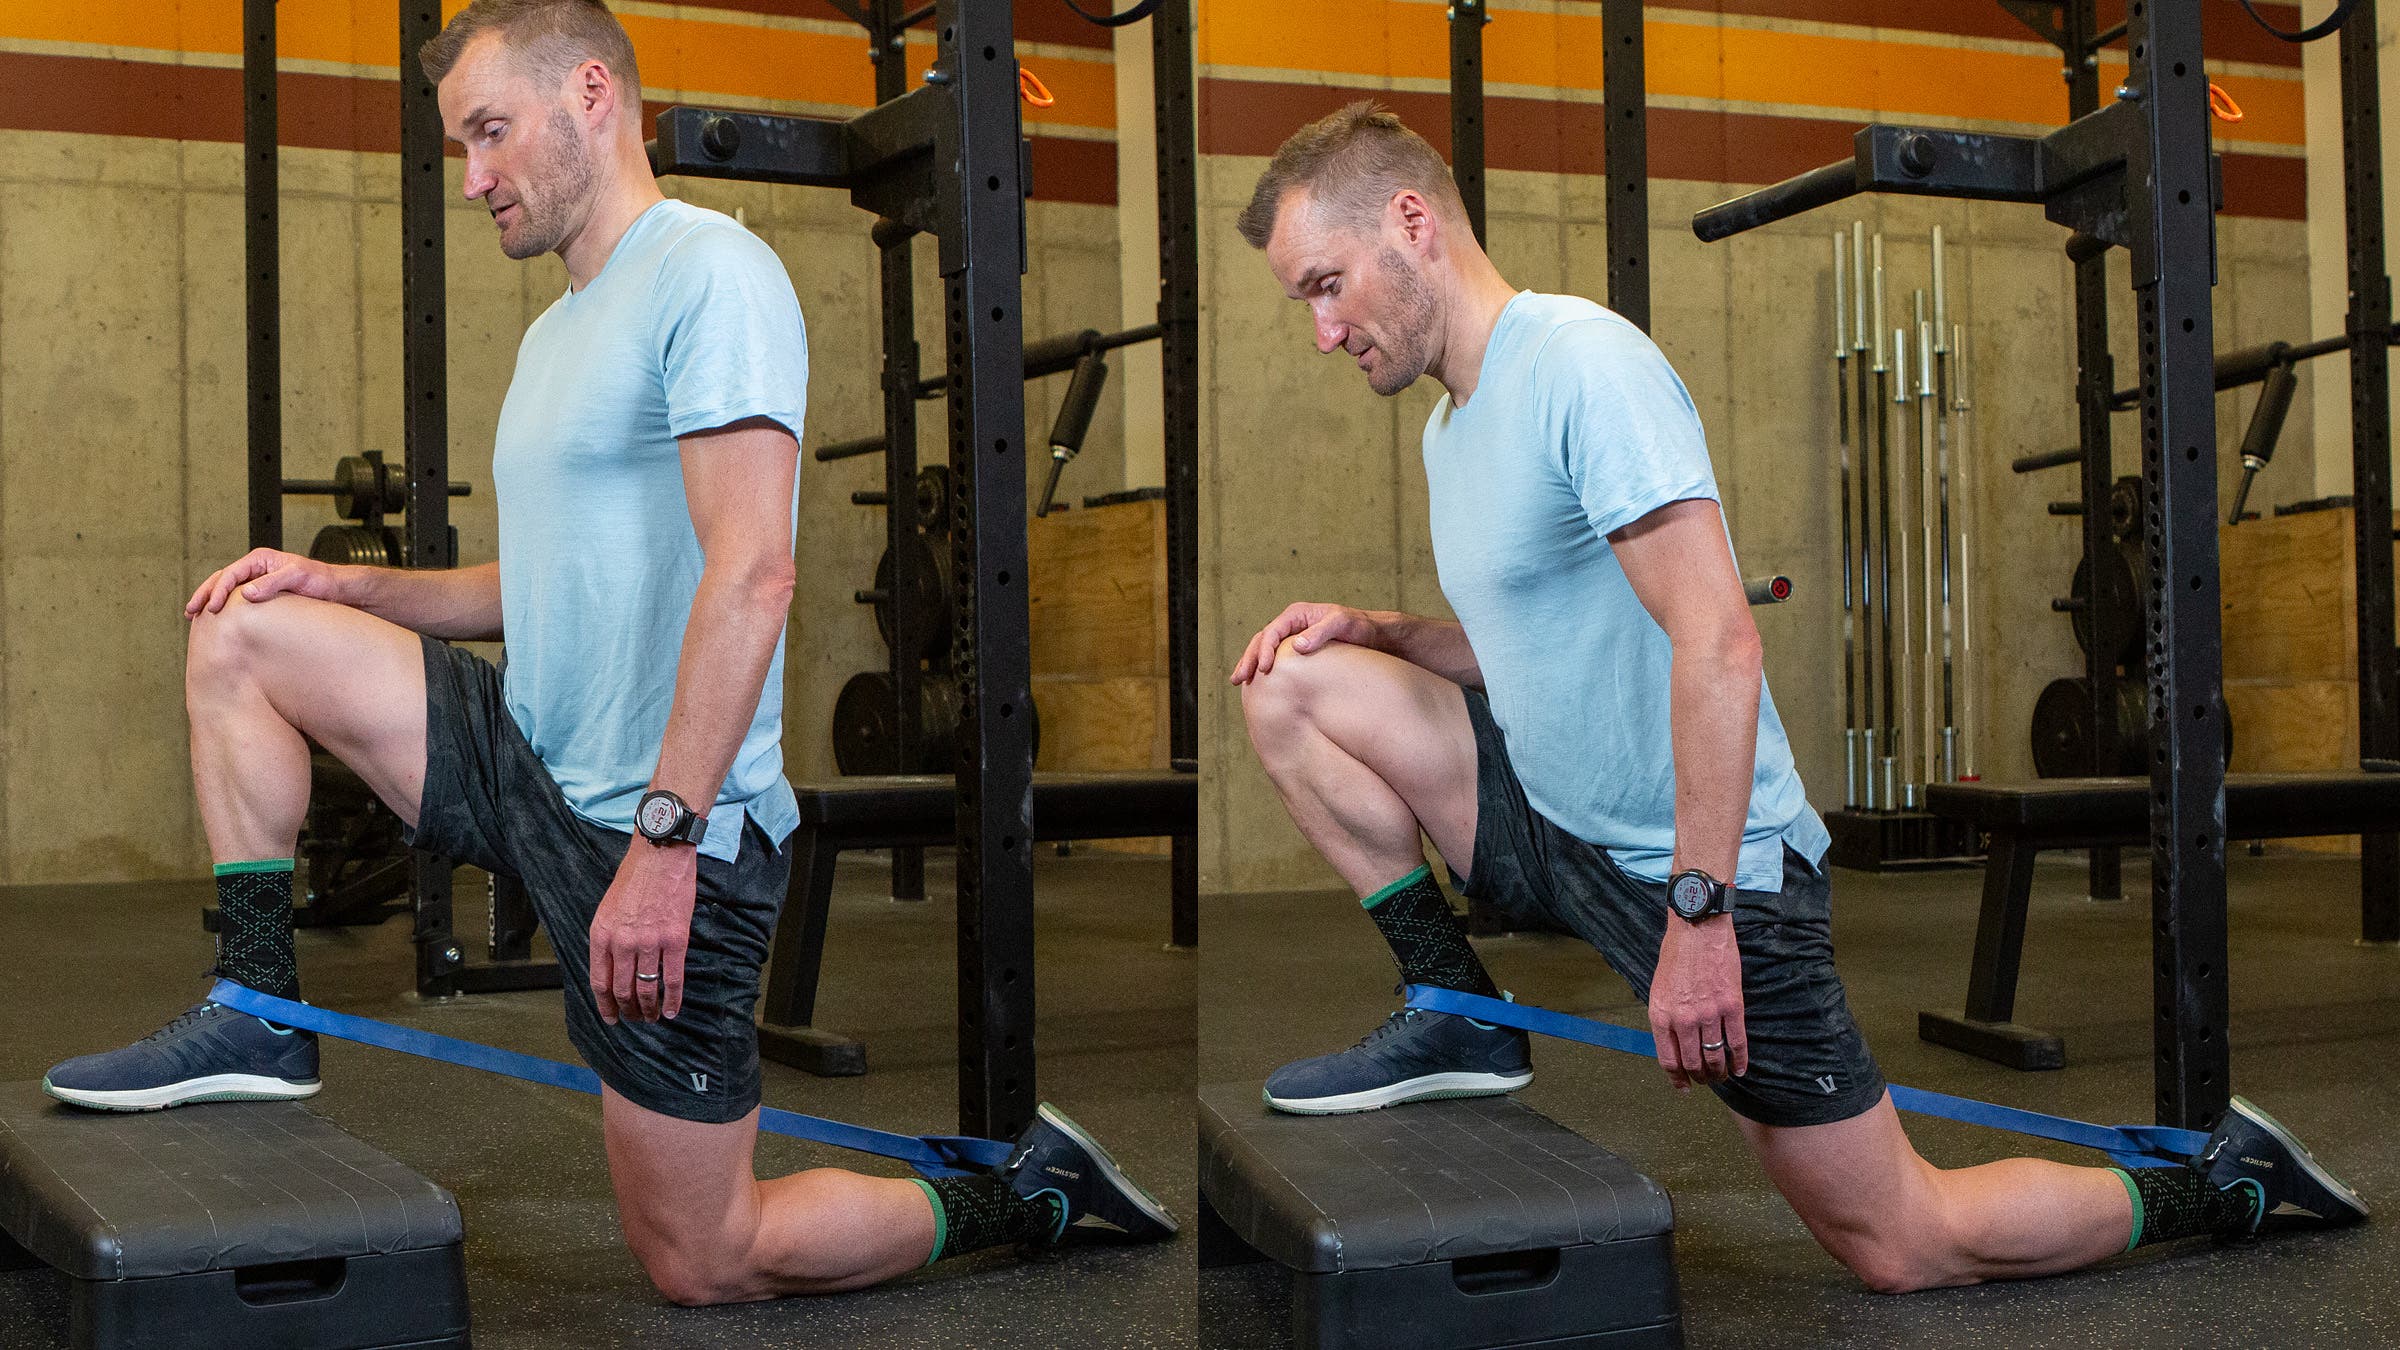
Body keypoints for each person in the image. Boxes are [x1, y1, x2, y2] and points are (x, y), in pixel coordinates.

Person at [42, 0, 1170, 1304]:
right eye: (459, 146)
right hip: (529, 761)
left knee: (704, 1256)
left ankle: (1022, 1197)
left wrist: (664, 841)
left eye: (488, 135)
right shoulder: (555, 332)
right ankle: (257, 1006)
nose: (472, 179)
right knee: (242, 630)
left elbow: (753, 568)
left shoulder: (711, 275)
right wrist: (336, 581)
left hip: (667, 833)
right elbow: (544, 587)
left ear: (591, 93)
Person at [1227, 100, 2363, 1293]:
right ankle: (1457, 1001)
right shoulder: (1450, 430)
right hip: (1550, 822)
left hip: (1703, 868)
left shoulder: (1580, 364)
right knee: (1293, 682)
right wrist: (1382, 632)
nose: (1322, 330)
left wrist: (1703, 919)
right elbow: (1537, 646)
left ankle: (2224, 1185)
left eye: (1325, 284)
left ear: (1411, 221)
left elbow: (1717, 641)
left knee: (1901, 1243)